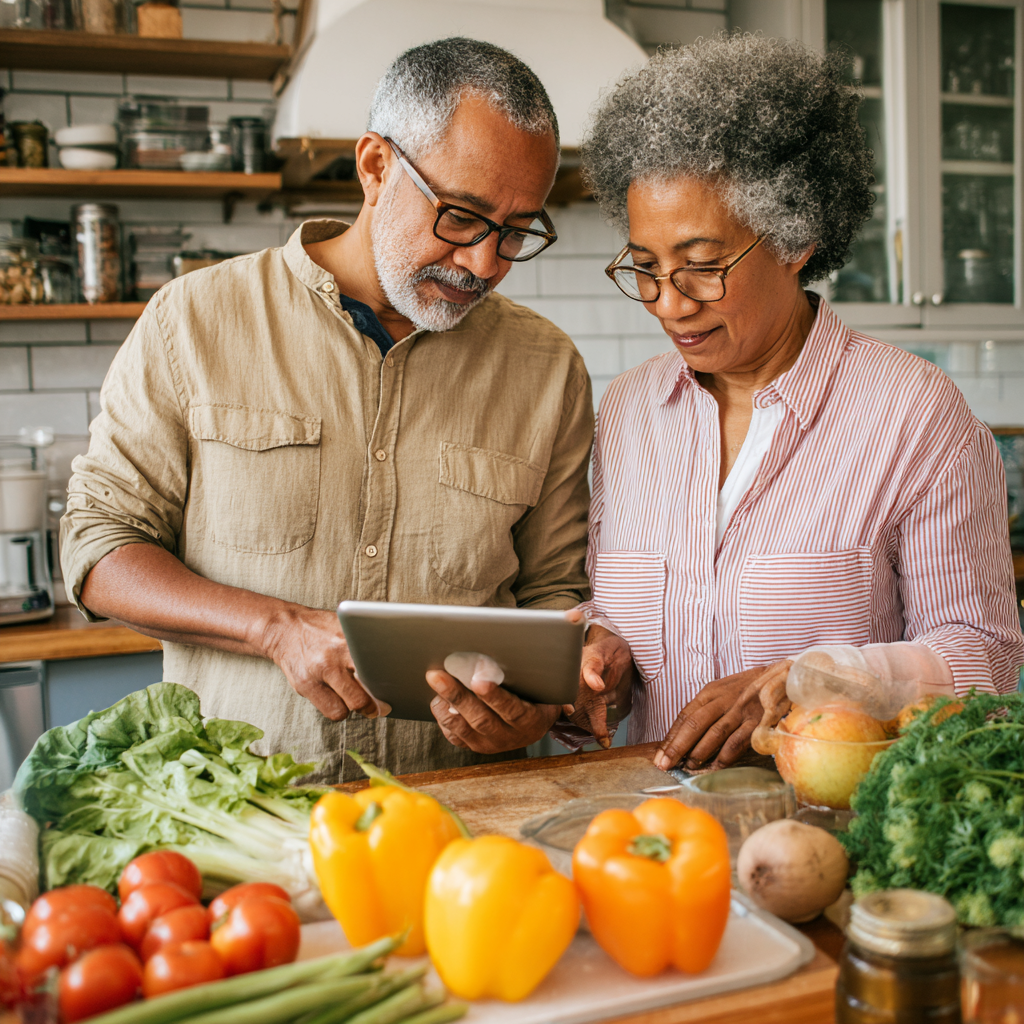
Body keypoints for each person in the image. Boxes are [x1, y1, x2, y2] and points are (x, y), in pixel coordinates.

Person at [60, 37, 629, 782]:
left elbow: (554, 595)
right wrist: (273, 628)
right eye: (461, 216)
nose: (486, 262)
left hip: (456, 815)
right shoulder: (194, 321)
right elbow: (99, 547)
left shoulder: (547, 367)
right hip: (241, 807)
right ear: (375, 166)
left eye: (518, 230)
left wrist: (530, 707)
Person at [574, 34, 1024, 772]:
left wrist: (814, 683)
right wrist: (600, 666)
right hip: (649, 839)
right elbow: (615, 628)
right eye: (645, 268)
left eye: (702, 267)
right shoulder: (627, 412)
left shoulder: (915, 415)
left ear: (796, 237)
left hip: (825, 836)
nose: (668, 304)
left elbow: (987, 663)